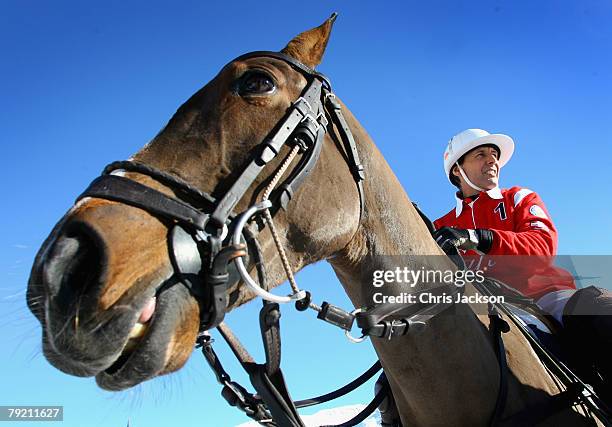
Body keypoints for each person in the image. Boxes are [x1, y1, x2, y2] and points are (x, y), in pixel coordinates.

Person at [433, 128, 612, 400]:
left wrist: (481, 238)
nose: (492, 160)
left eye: (494, 154)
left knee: (602, 309)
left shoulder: (519, 197)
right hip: (485, 312)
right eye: (481, 154)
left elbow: (542, 247)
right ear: (457, 169)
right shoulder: (439, 227)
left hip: (548, 298)